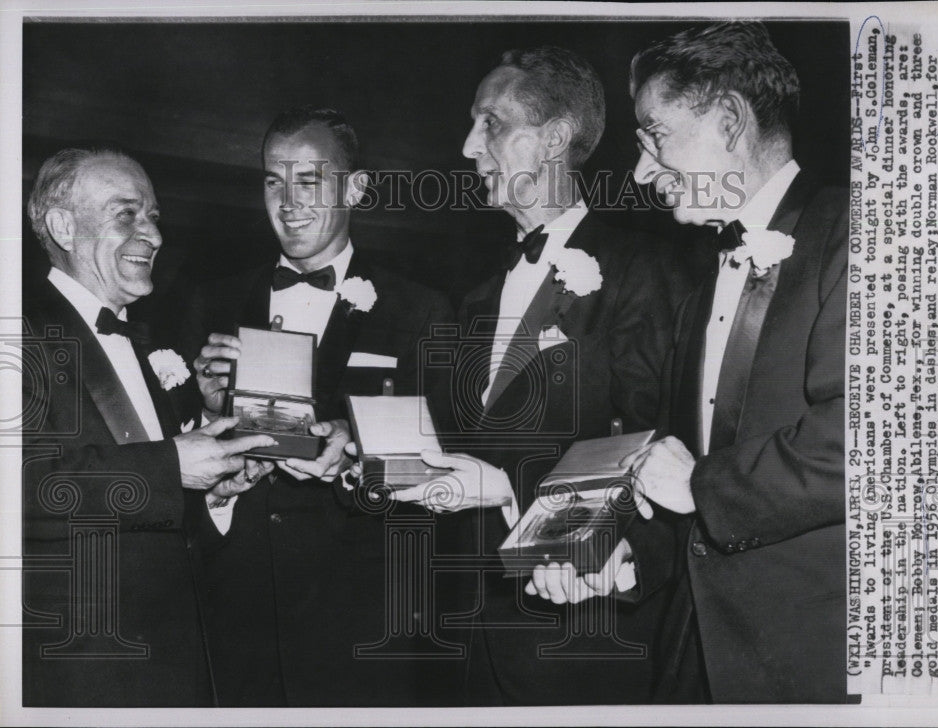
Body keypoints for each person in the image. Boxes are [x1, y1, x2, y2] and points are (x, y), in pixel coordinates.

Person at [530, 22, 849, 704]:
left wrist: (701, 484)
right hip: (692, 666)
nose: (642, 170)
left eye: (655, 135)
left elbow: (871, 441)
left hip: (816, 672)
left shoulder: (860, 233)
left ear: (730, 119)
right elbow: (685, 496)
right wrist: (615, 564)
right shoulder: (700, 286)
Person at [393, 46, 694, 704]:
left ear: (555, 138)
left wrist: (504, 489)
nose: (469, 145)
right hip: (460, 654)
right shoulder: (470, 296)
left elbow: (649, 453)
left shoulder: (643, 272)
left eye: (490, 123)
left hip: (578, 649)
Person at [177, 106, 456, 706]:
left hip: (361, 621)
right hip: (238, 614)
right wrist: (206, 412)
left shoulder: (420, 310)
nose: (288, 201)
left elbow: (439, 468)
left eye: (310, 180)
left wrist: (352, 451)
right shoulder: (210, 302)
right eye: (273, 181)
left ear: (356, 187)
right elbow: (174, 462)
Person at [21, 148, 276, 706]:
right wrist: (172, 466)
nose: (153, 235)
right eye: (126, 214)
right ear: (64, 227)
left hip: (177, 664)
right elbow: (24, 490)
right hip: (81, 672)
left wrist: (213, 495)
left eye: (154, 216)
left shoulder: (147, 342)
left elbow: (159, 510)